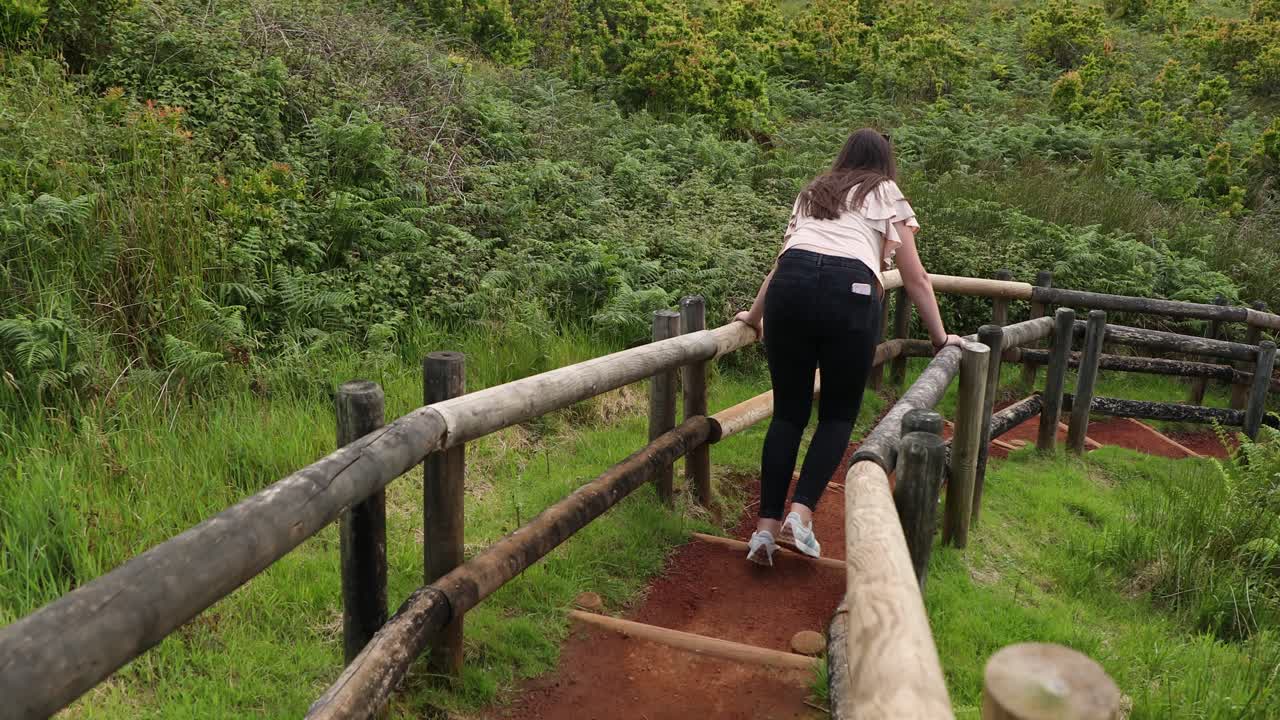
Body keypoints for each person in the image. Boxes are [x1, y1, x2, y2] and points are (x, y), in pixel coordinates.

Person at [733, 128, 962, 565]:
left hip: (790, 289)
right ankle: (799, 517)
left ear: (844, 156)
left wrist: (753, 316)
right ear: (884, 163)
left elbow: (785, 261)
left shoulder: (813, 192)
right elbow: (914, 276)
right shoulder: (885, 192)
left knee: (788, 413)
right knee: (837, 415)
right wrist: (939, 336)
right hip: (851, 291)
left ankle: (763, 530)